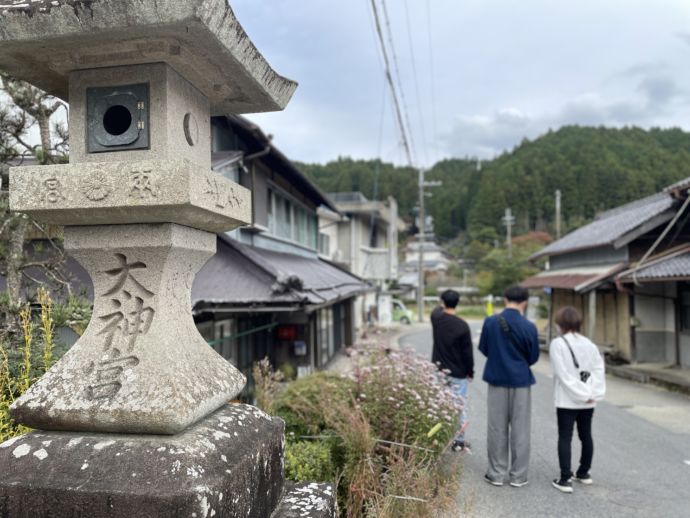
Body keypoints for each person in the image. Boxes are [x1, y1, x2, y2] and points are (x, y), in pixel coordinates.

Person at [478, 285, 540, 487]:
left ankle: (496, 474)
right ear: (525, 302)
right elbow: (533, 357)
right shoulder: (529, 327)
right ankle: (518, 476)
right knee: (521, 430)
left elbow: (485, 349)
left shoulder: (490, 322)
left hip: (497, 379)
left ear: (504, 299)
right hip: (521, 381)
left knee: (497, 428)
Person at [549, 306, 606, 493]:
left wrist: (579, 393)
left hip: (567, 399)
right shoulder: (590, 344)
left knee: (565, 436)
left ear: (560, 324)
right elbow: (598, 370)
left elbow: (562, 374)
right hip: (588, 399)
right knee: (585, 434)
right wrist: (592, 393)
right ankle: (584, 473)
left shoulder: (558, 344)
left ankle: (565, 478)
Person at [431, 289, 474, 452]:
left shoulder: (436, 318)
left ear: (442, 302)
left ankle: (436, 437)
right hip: (458, 373)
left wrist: (441, 302)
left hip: (439, 371)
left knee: (438, 404)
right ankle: (458, 441)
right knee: (459, 407)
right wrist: (470, 371)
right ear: (458, 303)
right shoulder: (462, 326)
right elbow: (467, 353)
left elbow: (437, 309)